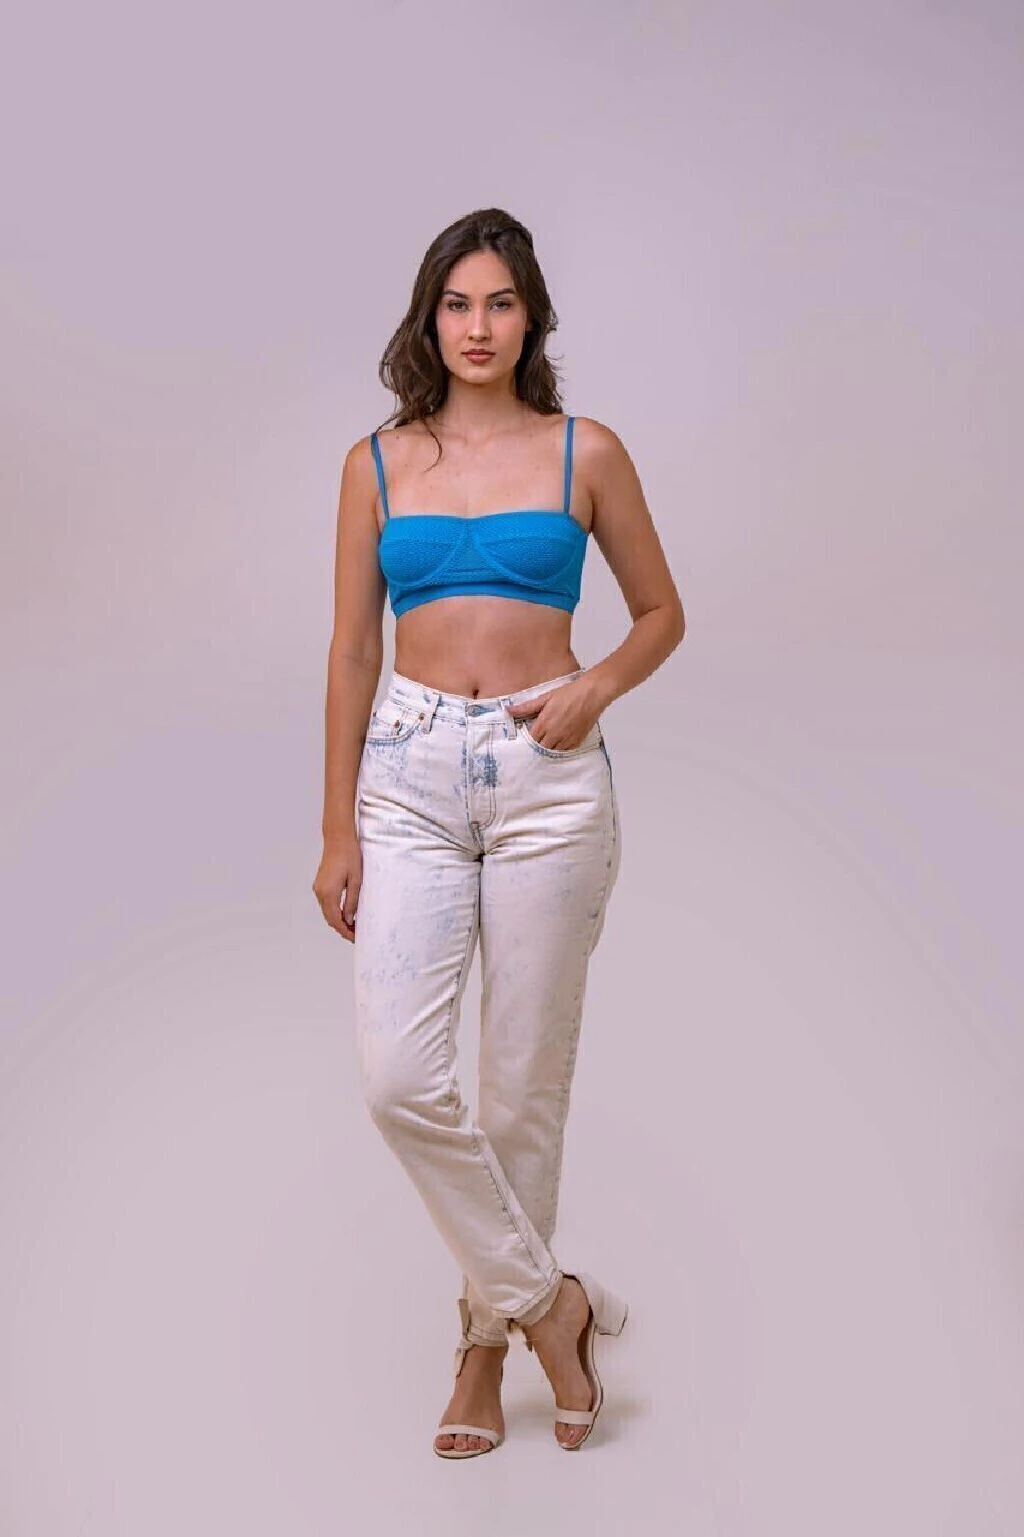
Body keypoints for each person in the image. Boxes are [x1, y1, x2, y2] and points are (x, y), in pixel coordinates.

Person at [313, 208, 685, 1457]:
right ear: (430, 319)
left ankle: (481, 1350)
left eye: (502, 303)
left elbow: (661, 613)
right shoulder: (375, 464)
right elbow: (352, 650)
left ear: (532, 318)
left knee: (521, 1087)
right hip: (407, 778)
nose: (478, 326)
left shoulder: (586, 451)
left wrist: (594, 690)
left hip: (548, 779)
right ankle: (552, 1305)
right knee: (399, 1080)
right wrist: (336, 826)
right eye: (458, 304)